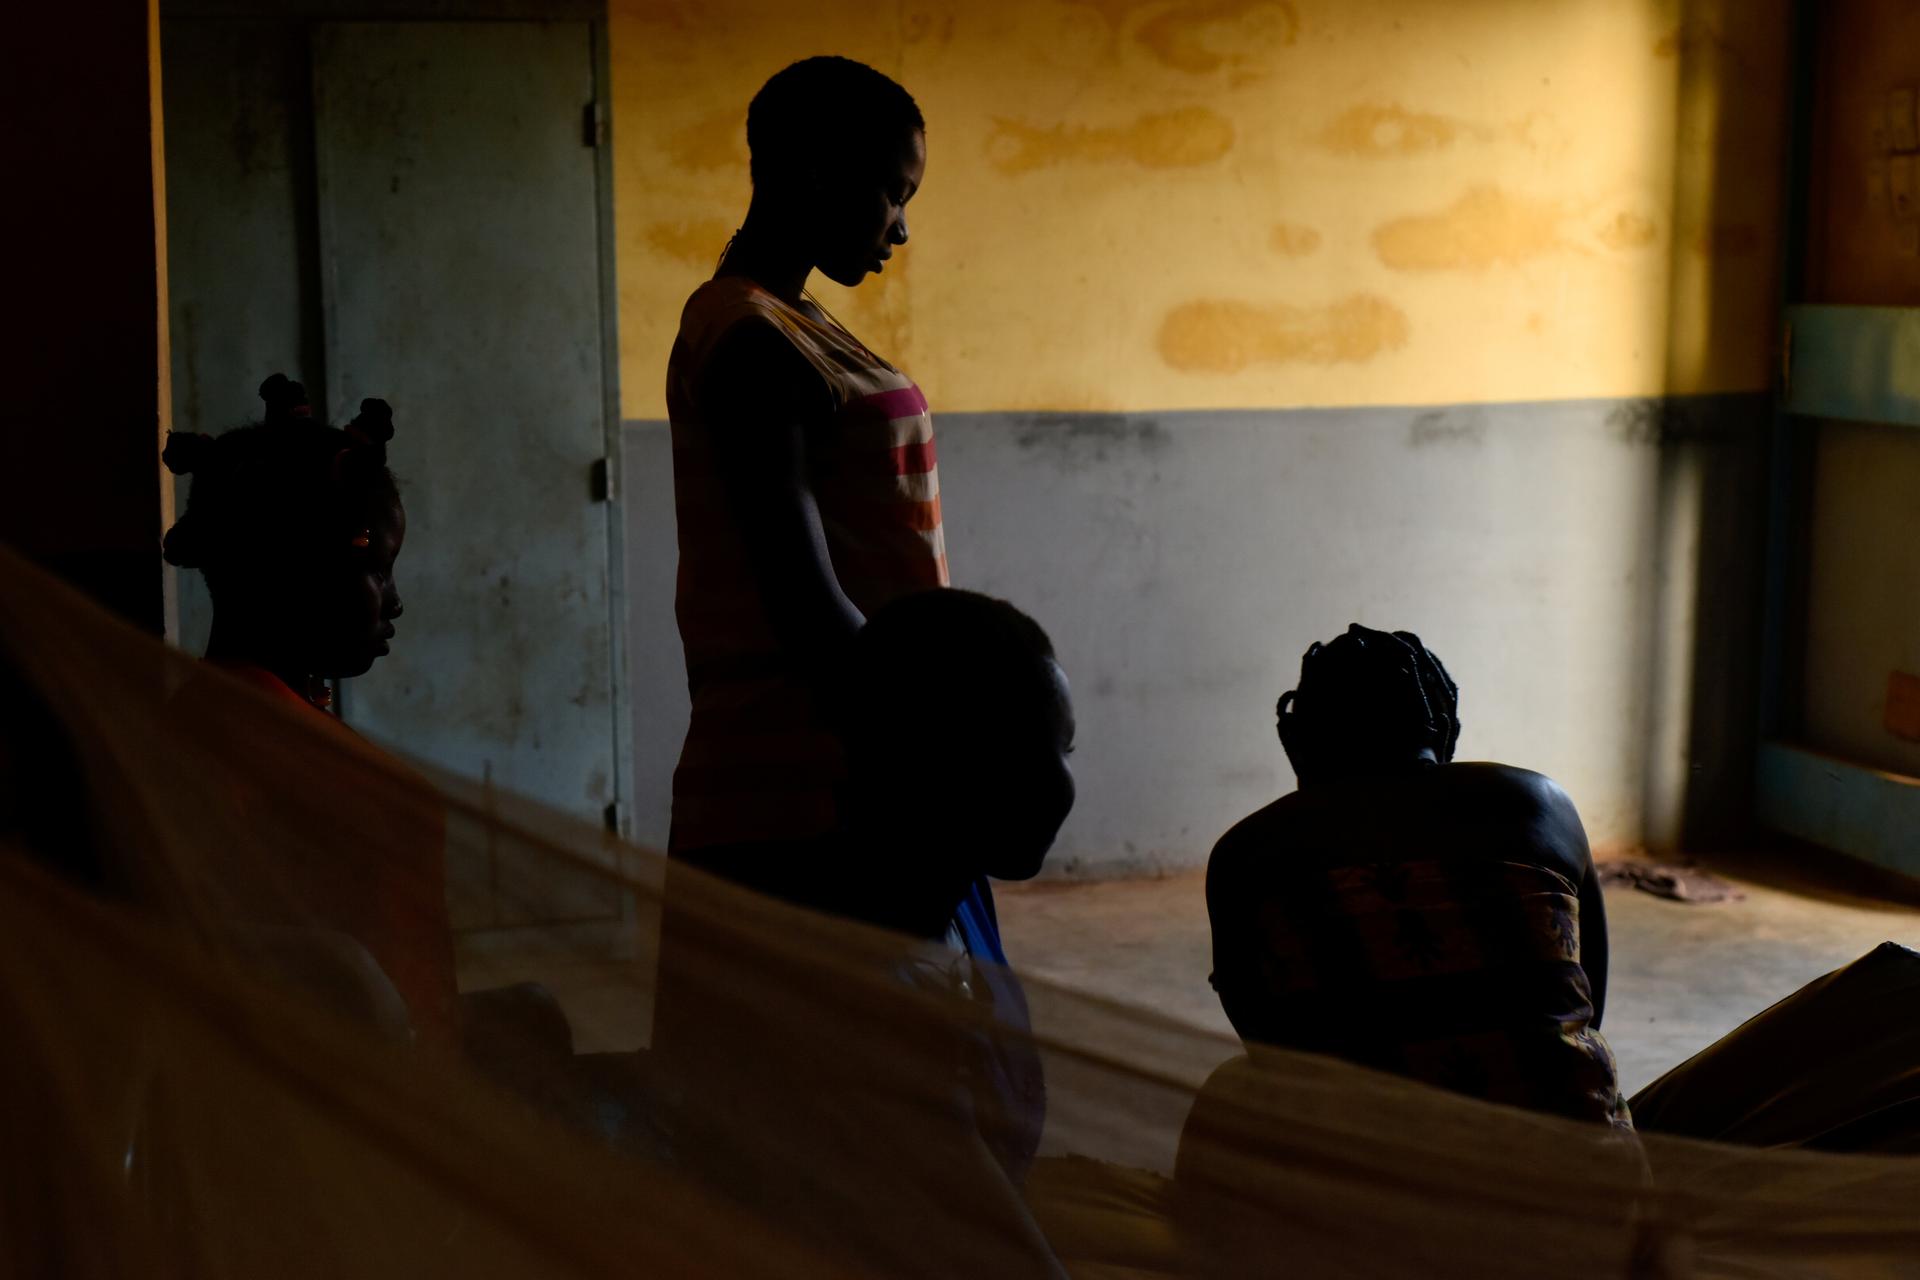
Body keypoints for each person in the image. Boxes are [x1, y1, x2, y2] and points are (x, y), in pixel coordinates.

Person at [664, 55, 939, 888]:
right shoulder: (750, 337)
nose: (899, 229)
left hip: (835, 759)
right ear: (817, 173)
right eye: (894, 194)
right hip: (805, 785)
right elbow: (805, 602)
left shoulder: (788, 321)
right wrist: (925, 736)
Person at [1204, 624, 1628, 1128]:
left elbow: (1268, 1048)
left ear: (1294, 739)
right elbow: (1587, 1007)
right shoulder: (1543, 805)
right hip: (1589, 1184)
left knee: (1231, 1087)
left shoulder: (1247, 852)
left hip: (1372, 1193)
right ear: (1444, 724)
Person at [160, 373, 452, 1043]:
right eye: (377, 568)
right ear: (292, 571)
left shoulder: (202, 718)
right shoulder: (312, 769)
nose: (395, 600)